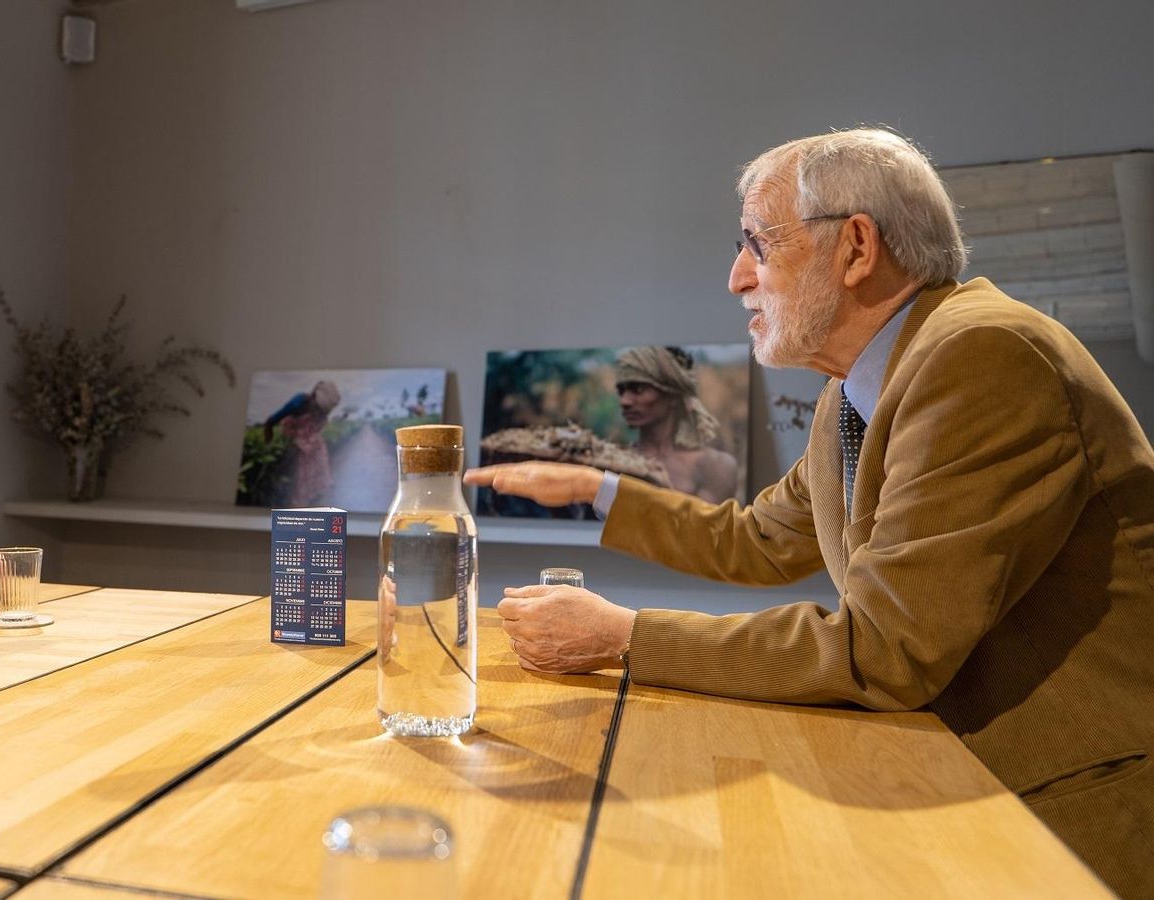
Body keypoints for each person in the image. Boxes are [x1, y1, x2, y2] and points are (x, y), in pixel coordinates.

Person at [466, 129, 1153, 895]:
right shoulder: (858, 391)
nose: (736, 278)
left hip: (1084, 807)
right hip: (970, 782)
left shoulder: (984, 356)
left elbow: (885, 648)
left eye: (756, 243)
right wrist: (591, 489)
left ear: (856, 247)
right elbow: (757, 540)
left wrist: (621, 634)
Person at [613, 345, 738, 502]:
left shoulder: (715, 466)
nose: (624, 401)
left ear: (672, 396)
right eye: (621, 391)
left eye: (638, 389)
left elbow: (712, 524)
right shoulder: (613, 462)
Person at [263, 379, 341, 507]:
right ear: (313, 397)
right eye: (318, 407)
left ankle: (313, 493)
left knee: (318, 467)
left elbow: (317, 427)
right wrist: (269, 434)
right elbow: (272, 420)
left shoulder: (322, 412)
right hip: (297, 438)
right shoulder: (298, 402)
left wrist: (310, 440)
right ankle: (301, 500)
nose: (319, 411)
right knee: (300, 474)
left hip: (312, 441)